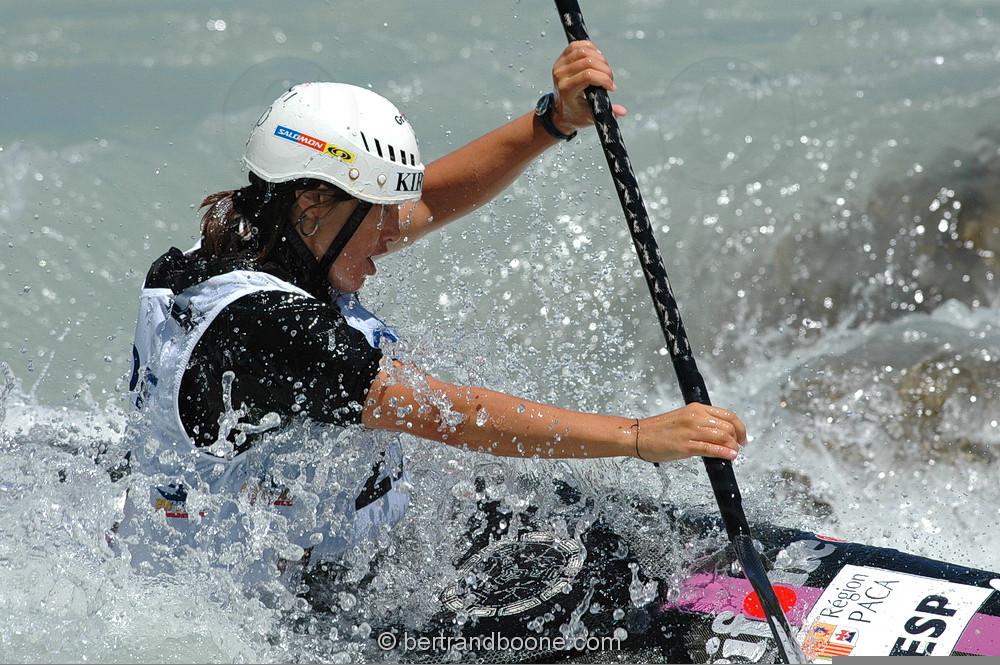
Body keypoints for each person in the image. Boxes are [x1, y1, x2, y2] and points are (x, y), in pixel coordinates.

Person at [120, 41, 747, 584]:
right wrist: (637, 438)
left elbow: (431, 199)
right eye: (380, 215)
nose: (396, 231)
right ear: (312, 204)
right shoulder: (273, 328)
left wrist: (553, 121)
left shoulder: (240, 244)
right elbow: (454, 414)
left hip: (319, 548)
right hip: (294, 606)